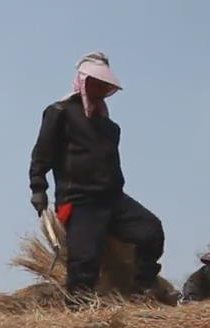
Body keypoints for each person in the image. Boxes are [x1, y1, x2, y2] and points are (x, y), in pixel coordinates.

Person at [29, 52, 164, 301]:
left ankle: (141, 289)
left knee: (151, 230)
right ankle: (80, 307)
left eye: (105, 83)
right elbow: (42, 152)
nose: (101, 87)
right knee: (85, 258)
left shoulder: (110, 126)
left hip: (113, 199)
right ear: (83, 81)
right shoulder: (60, 112)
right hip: (80, 199)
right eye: (96, 81)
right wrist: (38, 186)